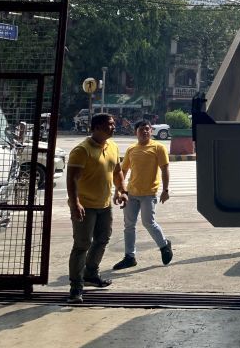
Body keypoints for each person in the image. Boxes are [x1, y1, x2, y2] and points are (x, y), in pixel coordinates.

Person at [66, 113, 126, 305]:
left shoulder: (113, 146)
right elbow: (72, 179)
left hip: (105, 204)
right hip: (85, 206)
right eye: (110, 124)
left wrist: (121, 190)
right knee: (82, 245)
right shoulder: (81, 150)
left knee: (102, 239)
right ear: (98, 127)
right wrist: (75, 203)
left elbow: (117, 171)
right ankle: (76, 287)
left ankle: (91, 273)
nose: (114, 127)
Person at [112, 119, 173, 271]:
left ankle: (164, 245)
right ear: (136, 132)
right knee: (129, 225)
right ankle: (129, 257)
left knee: (148, 222)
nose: (145, 131)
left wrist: (165, 190)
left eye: (147, 129)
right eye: (141, 129)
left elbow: (164, 169)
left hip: (149, 193)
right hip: (131, 193)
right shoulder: (131, 149)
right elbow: (123, 171)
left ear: (151, 131)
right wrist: (119, 191)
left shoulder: (158, 147)